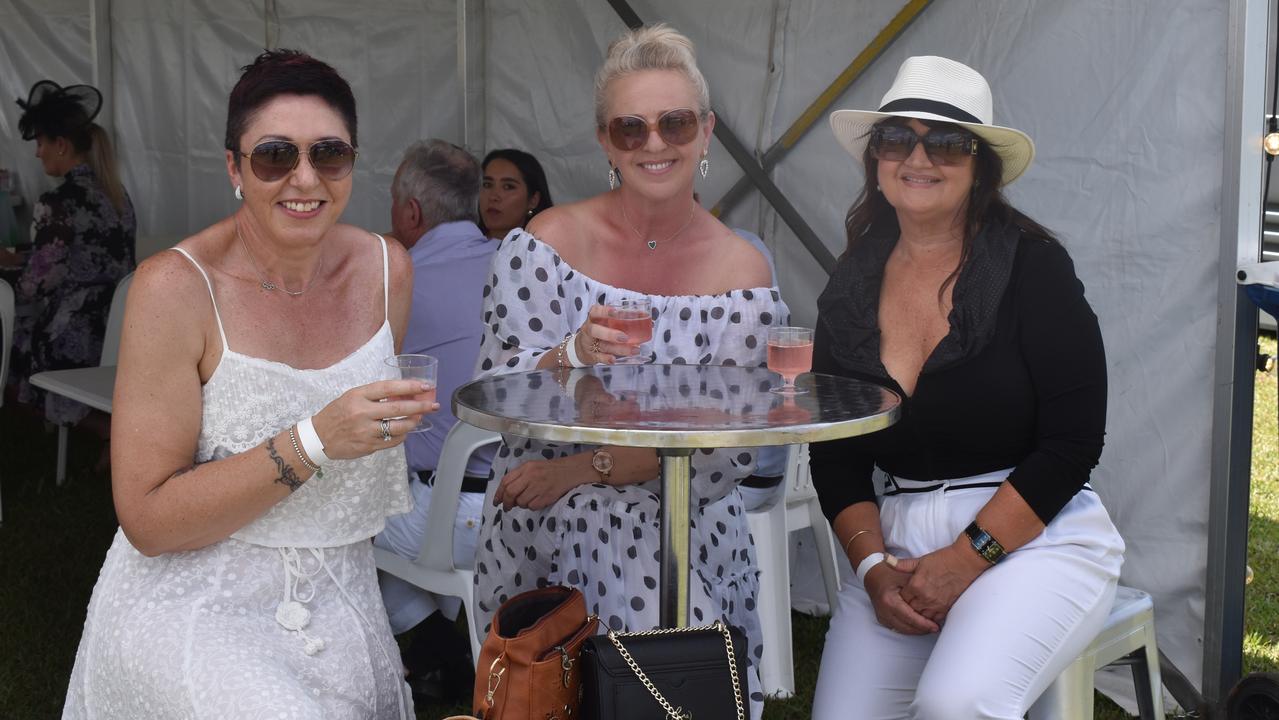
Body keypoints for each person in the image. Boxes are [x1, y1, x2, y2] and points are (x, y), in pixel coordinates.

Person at [62, 50, 435, 719]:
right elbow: (146, 519)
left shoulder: (387, 269)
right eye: (274, 155)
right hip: (197, 598)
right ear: (234, 167)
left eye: (330, 153)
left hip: (342, 594)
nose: (305, 177)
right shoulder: (175, 287)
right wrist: (316, 440)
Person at [472, 24, 785, 717]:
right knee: (609, 538)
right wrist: (573, 353)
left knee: (643, 544)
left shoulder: (742, 271)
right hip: (547, 512)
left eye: (673, 123)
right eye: (630, 128)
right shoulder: (546, 244)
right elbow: (498, 394)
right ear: (605, 142)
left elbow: (725, 453)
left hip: (683, 511)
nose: (654, 143)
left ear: (704, 135)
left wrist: (584, 468)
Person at [809, 55, 1125, 719]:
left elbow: (1071, 443)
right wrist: (870, 571)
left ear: (980, 165)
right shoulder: (850, 283)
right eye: (897, 138)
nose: (917, 157)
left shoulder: (1031, 266)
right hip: (895, 544)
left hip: (1032, 534)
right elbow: (833, 453)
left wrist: (965, 558)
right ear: (875, 160)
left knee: (957, 704)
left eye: (946, 142)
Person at [374, 138, 493, 703]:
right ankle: (449, 641)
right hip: (536, 505)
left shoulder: (395, 282)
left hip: (452, 517)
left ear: (412, 211)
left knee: (330, 502)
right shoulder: (521, 266)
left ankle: (430, 645)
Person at [12, 80, 136, 426]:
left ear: (62, 146)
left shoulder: (58, 203)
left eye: (40, 143)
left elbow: (34, 286)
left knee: (16, 322)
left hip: (73, 334)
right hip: (120, 327)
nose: (37, 153)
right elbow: (86, 254)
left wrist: (15, 272)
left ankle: (86, 426)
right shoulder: (116, 194)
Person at [478, 148, 553, 240]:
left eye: (508, 187)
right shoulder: (460, 246)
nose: (493, 197)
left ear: (533, 200)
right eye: (487, 185)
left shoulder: (545, 251)